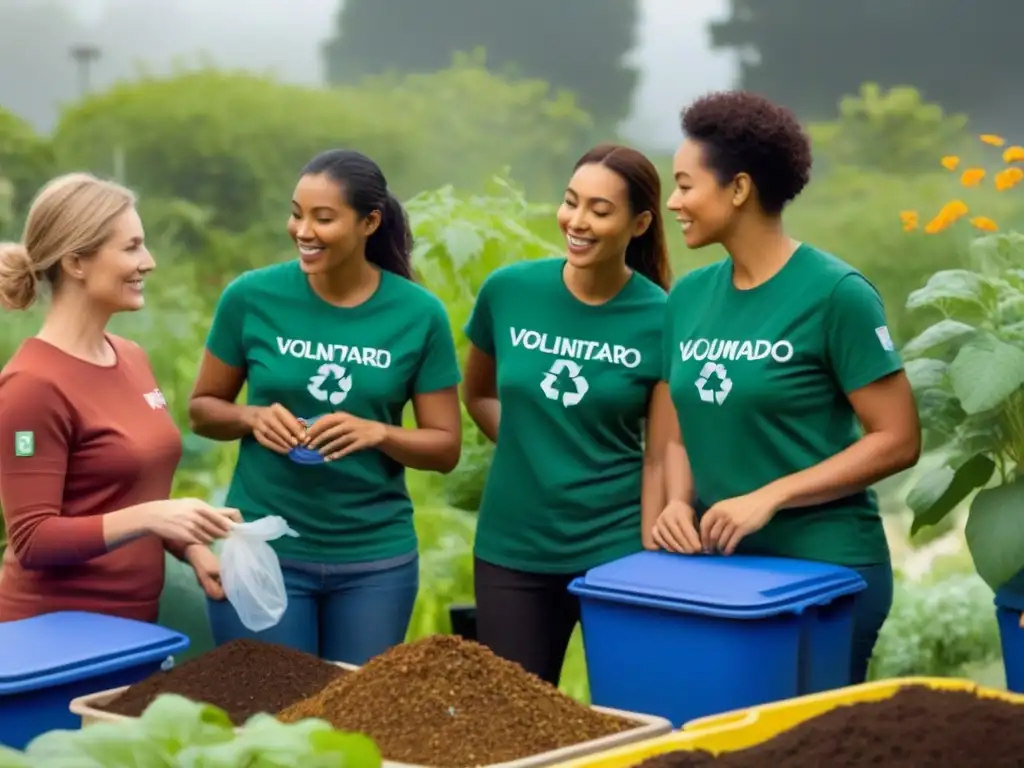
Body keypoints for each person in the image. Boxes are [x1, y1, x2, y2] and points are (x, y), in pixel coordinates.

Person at [654, 90, 922, 683]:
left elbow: (898, 438)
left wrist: (771, 495)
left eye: (685, 184)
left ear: (739, 189)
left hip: (824, 569)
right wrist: (677, 500)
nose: (673, 202)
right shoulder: (688, 299)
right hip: (721, 573)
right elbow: (677, 435)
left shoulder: (836, 294)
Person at [188, 149, 462, 665]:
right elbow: (202, 409)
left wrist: (378, 433)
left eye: (323, 218)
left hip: (374, 563)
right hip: (265, 550)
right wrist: (251, 416)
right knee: (272, 720)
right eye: (297, 213)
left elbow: (445, 447)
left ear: (369, 222)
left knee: (355, 728)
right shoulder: (251, 297)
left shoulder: (417, 314)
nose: (303, 231)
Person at [462, 144, 673, 685]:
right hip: (513, 547)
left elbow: (662, 452)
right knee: (512, 721)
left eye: (600, 211)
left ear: (640, 223)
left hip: (616, 546)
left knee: (630, 709)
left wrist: (652, 552)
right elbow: (478, 392)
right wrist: (529, 445)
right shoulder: (509, 292)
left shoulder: (664, 317)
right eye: (571, 202)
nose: (577, 222)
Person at [0, 173, 241, 623]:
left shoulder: (130, 358)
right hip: (56, 633)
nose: (148, 261)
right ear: (76, 262)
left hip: (135, 625)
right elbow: (32, 539)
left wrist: (188, 545)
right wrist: (153, 517)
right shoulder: (31, 385)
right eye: (131, 247)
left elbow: (124, 494)